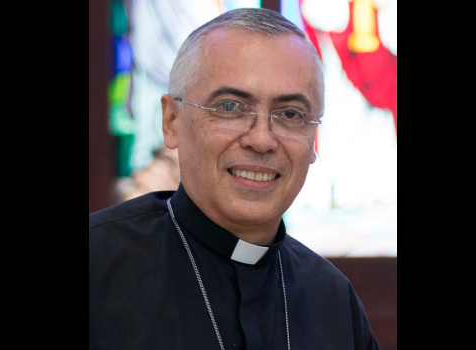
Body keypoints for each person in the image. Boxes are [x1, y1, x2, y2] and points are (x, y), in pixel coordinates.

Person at [89, 8, 380, 350]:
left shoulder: (332, 297)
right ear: (171, 121)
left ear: (313, 140)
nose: (261, 139)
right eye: (230, 107)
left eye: (290, 114)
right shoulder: (98, 265)